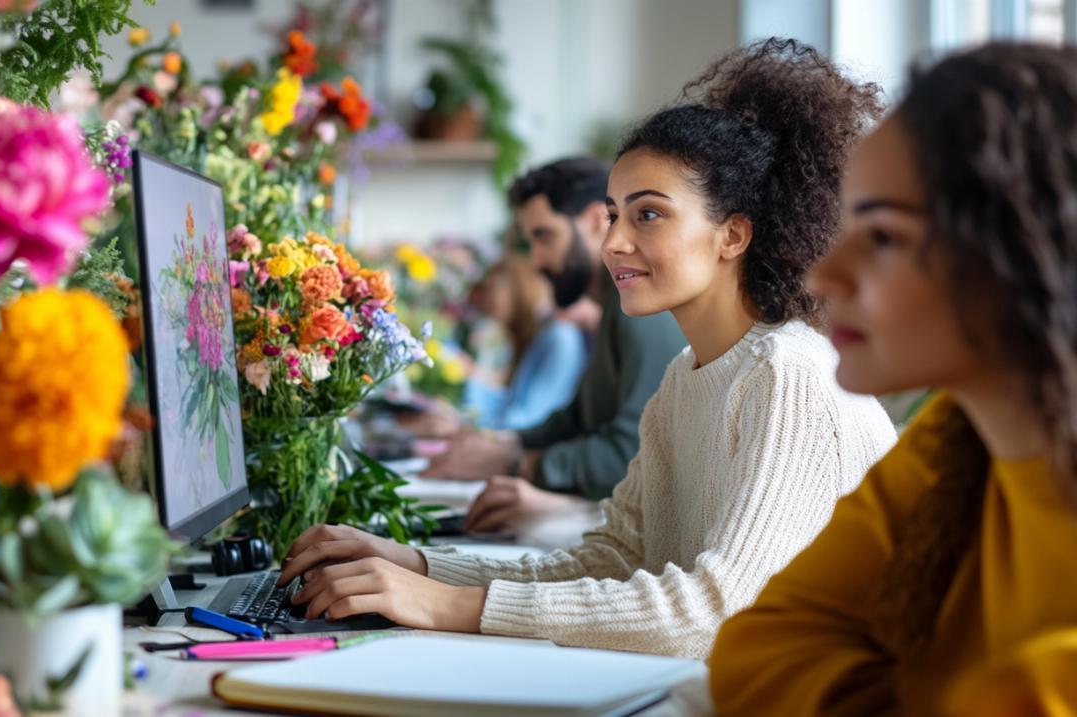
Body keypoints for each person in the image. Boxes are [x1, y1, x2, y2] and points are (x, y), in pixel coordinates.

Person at [277, 38, 895, 658]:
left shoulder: (788, 373)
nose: (614, 243)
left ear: (732, 234)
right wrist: (414, 565)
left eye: (648, 215)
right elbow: (612, 559)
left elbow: (713, 613)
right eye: (612, 215)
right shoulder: (685, 379)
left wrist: (443, 605)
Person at [710, 43, 1077, 715]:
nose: (824, 276)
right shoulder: (953, 441)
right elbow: (757, 648)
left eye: (882, 236)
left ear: (1025, 249)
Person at [421, 157, 687, 521]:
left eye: (545, 236)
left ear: (596, 222)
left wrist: (519, 463)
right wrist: (507, 443)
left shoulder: (639, 309)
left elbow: (635, 452)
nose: (536, 262)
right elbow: (578, 417)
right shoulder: (613, 307)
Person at [461, 255, 588, 431]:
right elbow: (511, 405)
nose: (485, 299)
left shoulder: (559, 337)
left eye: (492, 288)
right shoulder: (535, 338)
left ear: (517, 289)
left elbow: (530, 419)